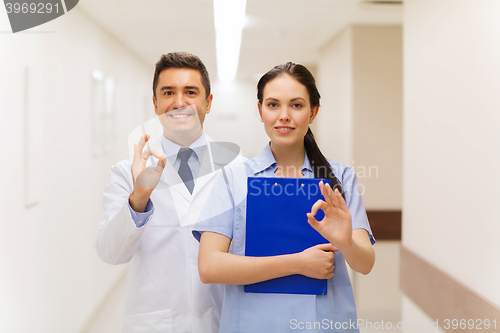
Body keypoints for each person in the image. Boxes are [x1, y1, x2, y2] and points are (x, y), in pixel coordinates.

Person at [193, 62, 376, 332]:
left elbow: (365, 264)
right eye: (273, 105)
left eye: (297, 105)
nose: (284, 115)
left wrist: (345, 241)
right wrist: (299, 263)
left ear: (313, 112)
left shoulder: (340, 178)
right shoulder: (233, 178)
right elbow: (209, 267)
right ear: (260, 111)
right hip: (253, 324)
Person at [95, 52, 233, 333]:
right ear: (156, 103)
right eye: (168, 92)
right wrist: (139, 197)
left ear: (208, 102)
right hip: (155, 323)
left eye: (190, 92)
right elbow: (111, 253)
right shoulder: (126, 172)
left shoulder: (236, 170)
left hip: (224, 319)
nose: (179, 102)